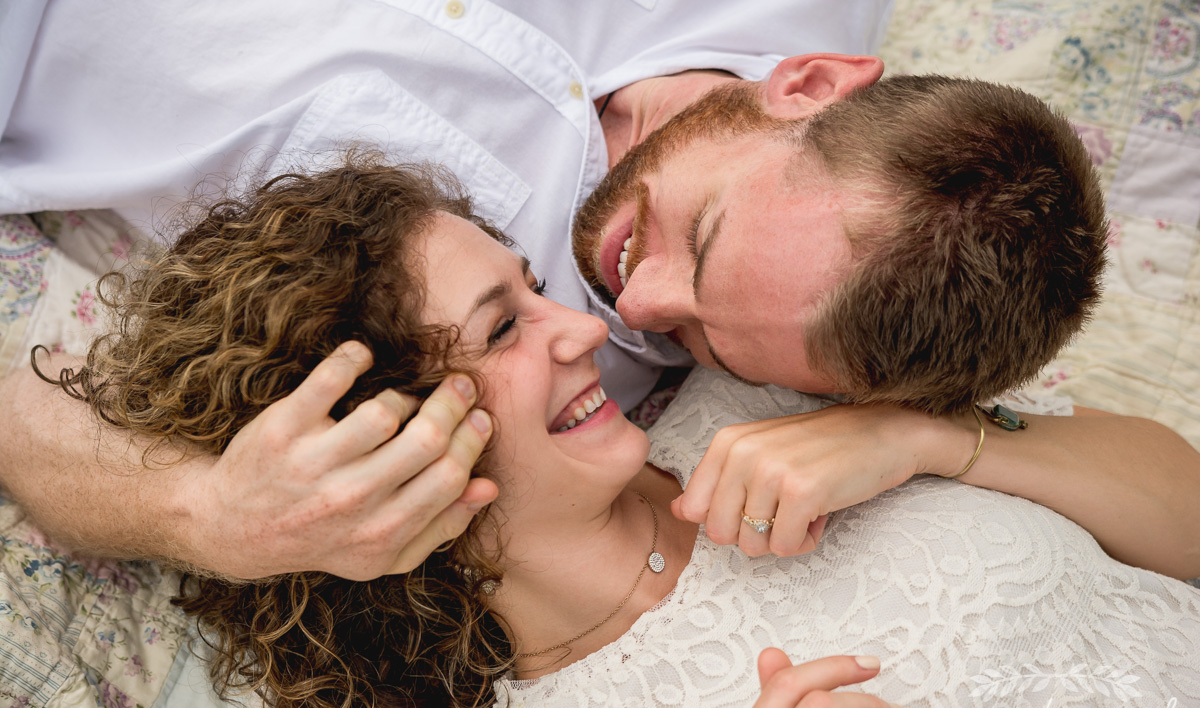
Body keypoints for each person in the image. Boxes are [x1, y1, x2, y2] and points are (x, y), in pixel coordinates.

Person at [53, 155, 1200, 708]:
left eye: (532, 287)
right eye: (504, 325)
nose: (576, 327)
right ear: (379, 447)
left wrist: (928, 438)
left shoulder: (763, 397)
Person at [5, 47, 1199, 583]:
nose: (632, 303)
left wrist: (201, 509)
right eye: (708, 233)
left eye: (701, 341)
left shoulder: (598, 413)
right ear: (811, 82)